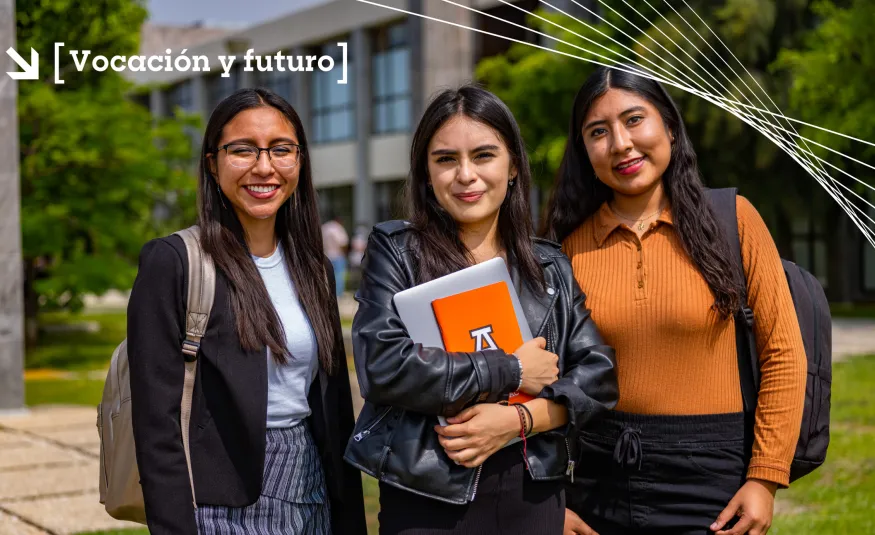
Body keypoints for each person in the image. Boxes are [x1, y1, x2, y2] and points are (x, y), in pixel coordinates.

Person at [344, 85, 619, 535]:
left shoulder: (548, 264)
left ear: (512, 167)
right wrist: (510, 370)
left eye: (484, 155)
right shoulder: (397, 252)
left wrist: (517, 419)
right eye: (446, 159)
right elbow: (383, 365)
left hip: (532, 494)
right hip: (428, 494)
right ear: (426, 174)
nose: (466, 175)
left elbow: (599, 375)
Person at [544, 67, 807, 535]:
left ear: (668, 125)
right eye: (598, 132)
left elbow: (784, 355)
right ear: (584, 150)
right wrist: (551, 506)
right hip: (599, 480)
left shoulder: (733, 221)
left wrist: (764, 478)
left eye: (634, 120)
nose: (621, 143)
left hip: (714, 485)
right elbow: (546, 379)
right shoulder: (566, 248)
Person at [127, 88, 367, 535]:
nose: (264, 167)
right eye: (242, 150)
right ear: (211, 162)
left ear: (300, 160)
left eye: (281, 150)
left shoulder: (312, 264)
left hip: (312, 483)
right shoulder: (175, 262)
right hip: (220, 501)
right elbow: (156, 422)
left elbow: (333, 404)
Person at [322, 214, 350, 296]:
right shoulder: (338, 228)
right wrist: (345, 253)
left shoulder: (324, 227)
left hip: (326, 255)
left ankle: (327, 293)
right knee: (338, 276)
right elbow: (343, 243)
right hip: (337, 255)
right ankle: (337, 294)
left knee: (326, 276)